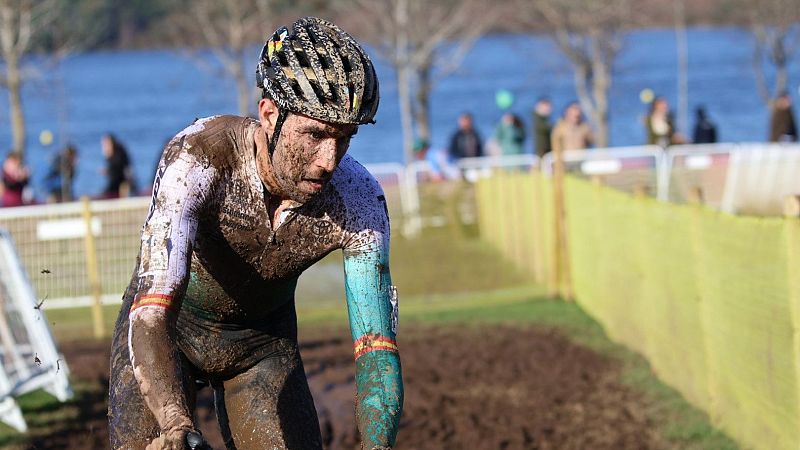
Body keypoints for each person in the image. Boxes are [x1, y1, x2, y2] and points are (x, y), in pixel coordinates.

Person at [108, 17, 402, 450]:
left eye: (345, 139)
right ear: (269, 115)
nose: (328, 160)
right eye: (315, 134)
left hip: (262, 347)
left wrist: (378, 446)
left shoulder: (357, 197)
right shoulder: (198, 157)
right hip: (168, 331)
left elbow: (376, 347)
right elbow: (152, 310)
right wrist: (174, 424)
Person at [100, 133, 136, 198]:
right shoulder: (117, 155)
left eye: (105, 145)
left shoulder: (117, 157)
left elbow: (116, 178)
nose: (103, 148)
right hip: (122, 186)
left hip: (121, 188)